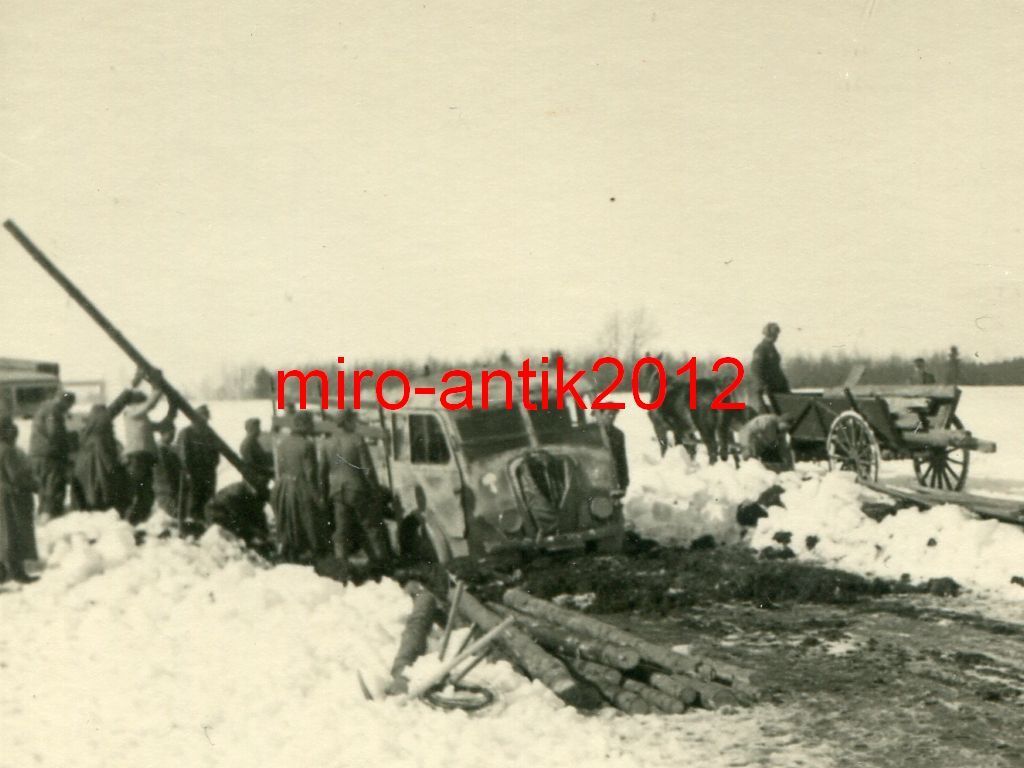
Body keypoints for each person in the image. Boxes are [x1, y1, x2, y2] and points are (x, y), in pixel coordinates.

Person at [320, 410, 391, 573]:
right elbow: (367, 469)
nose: (356, 423)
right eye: (354, 420)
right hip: (357, 489)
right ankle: (381, 565)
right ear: (348, 422)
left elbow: (322, 473)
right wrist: (375, 490)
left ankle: (341, 566)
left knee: (341, 530)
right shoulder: (357, 440)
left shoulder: (326, 443)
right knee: (371, 527)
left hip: (337, 491)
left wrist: (324, 494)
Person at [70, 388, 143, 512]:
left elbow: (113, 409)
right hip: (98, 470)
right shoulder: (101, 429)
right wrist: (113, 467)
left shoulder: (89, 430)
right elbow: (105, 456)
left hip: (85, 468)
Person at [272, 411, 327, 563]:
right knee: (310, 521)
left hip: (284, 486)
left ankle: (290, 555)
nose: (312, 426)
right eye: (310, 423)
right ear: (303, 425)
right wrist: (318, 498)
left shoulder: (282, 443)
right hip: (301, 487)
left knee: (289, 522)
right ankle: (317, 558)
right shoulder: (307, 445)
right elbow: (310, 474)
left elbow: (281, 469)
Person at [123, 373, 176, 524]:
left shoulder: (140, 419)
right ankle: (130, 523)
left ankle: (138, 522)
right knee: (140, 494)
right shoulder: (131, 412)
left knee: (147, 495)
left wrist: (172, 411)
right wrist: (158, 388)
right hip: (137, 459)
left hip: (144, 459)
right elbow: (150, 404)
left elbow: (160, 426)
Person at [1, 417, 38, 583]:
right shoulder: (8, 451)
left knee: (4, 535)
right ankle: (17, 572)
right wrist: (34, 485)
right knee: (14, 533)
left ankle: (5, 571)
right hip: (11, 498)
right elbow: (16, 476)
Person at [28, 390, 76, 519]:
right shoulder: (53, 410)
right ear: (65, 402)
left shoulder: (43, 408)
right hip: (49, 455)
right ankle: (52, 517)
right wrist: (67, 448)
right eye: (69, 406)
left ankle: (44, 515)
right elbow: (54, 432)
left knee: (43, 488)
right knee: (54, 486)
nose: (68, 410)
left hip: (37, 454)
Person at [177, 405, 220, 533]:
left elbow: (216, 452)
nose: (205, 420)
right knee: (193, 500)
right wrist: (188, 471)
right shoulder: (186, 433)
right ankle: (192, 528)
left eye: (206, 417)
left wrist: (212, 464)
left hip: (208, 472)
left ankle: (205, 526)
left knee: (208, 499)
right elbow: (183, 453)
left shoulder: (209, 433)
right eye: (202, 417)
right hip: (193, 472)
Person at [204, 480, 271, 555]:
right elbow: (240, 519)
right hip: (217, 512)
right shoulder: (237, 494)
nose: (263, 505)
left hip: (227, 511)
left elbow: (259, 514)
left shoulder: (251, 494)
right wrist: (255, 534)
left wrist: (265, 533)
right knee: (236, 536)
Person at [750, 322, 790, 412]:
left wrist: (784, 384)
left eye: (776, 334)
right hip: (767, 390)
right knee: (768, 415)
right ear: (768, 334)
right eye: (774, 334)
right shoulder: (761, 349)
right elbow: (756, 370)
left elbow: (776, 369)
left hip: (778, 388)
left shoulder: (772, 348)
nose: (776, 336)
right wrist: (764, 386)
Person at [153, 422, 182, 515]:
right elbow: (162, 470)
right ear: (163, 433)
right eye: (171, 434)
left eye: (174, 433)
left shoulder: (171, 448)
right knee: (167, 512)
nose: (173, 436)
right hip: (164, 486)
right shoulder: (158, 449)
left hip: (174, 486)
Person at [597, 410, 629, 493]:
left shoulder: (618, 434)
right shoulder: (593, 433)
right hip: (596, 476)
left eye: (613, 414)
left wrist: (624, 484)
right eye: (608, 414)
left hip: (612, 477)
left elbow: (621, 460)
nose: (611, 417)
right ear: (601, 415)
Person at [240, 418, 274, 483]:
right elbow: (251, 464)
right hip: (255, 479)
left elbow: (261, 456)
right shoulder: (248, 443)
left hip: (259, 476)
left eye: (258, 427)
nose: (259, 430)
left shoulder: (253, 441)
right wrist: (268, 471)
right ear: (250, 429)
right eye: (256, 428)